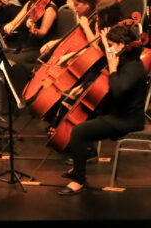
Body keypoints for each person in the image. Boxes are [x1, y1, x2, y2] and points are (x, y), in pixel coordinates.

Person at [58, 23, 149, 195]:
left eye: (113, 45)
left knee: (79, 131)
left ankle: (79, 180)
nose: (111, 50)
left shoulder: (133, 68)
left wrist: (113, 69)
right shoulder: (124, 59)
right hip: (117, 113)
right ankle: (79, 165)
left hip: (127, 120)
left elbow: (117, 90)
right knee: (83, 118)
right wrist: (107, 48)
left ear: (122, 45)